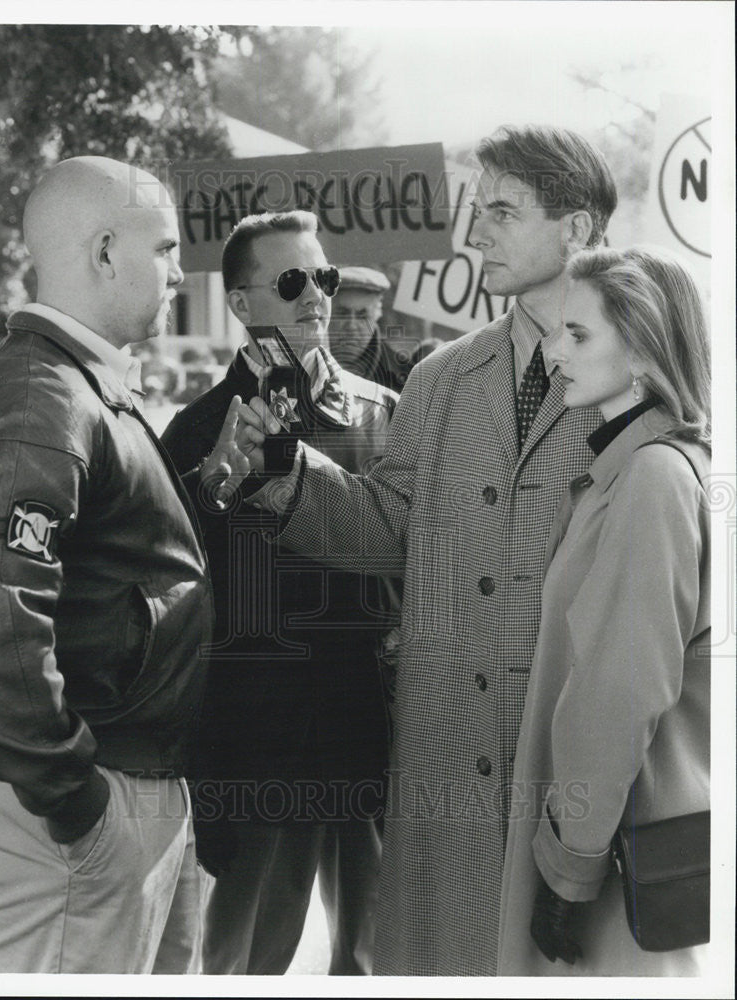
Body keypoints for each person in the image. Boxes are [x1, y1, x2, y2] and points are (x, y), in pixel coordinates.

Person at [232, 125, 619, 974]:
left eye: (503, 212)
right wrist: (284, 469)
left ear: (579, 231)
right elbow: (392, 525)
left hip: (569, 781)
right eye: (478, 210)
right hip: (444, 767)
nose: (475, 233)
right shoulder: (441, 378)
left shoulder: (638, 381)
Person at [0, 155, 243, 974]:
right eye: (165, 248)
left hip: (127, 789)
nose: (179, 271)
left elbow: (97, 551)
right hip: (82, 810)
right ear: (102, 251)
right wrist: (73, 797)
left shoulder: (80, 383)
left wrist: (202, 490)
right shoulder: (41, 394)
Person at [160, 210, 398, 975]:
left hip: (367, 722)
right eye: (292, 281)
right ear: (240, 302)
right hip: (259, 739)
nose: (317, 297)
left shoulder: (382, 414)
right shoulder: (197, 429)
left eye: (323, 277)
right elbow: (177, 585)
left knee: (371, 955)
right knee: (245, 961)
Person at [498, 246, 711, 976]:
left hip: (619, 862)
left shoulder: (652, 477)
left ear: (647, 349)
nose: (554, 352)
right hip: (626, 837)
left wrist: (570, 868)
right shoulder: (651, 468)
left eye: (578, 335)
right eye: (557, 331)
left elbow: (619, 694)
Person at [327, 265, 414, 391]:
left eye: (362, 316)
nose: (351, 326)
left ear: (377, 315)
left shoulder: (405, 379)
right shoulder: (305, 367)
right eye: (342, 314)